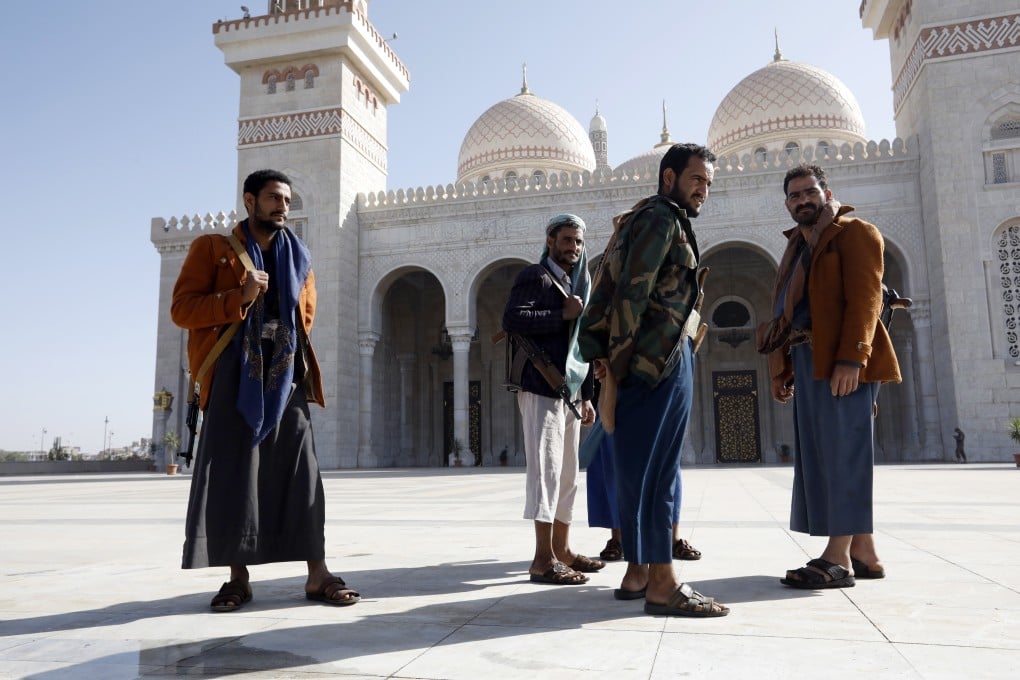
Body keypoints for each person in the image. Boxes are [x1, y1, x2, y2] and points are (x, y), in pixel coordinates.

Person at [171, 169, 360, 611]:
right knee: (235, 475)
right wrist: (238, 295)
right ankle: (237, 578)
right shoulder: (213, 249)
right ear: (249, 200)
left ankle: (318, 574)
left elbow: (303, 318)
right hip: (233, 376)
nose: (282, 207)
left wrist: (278, 357)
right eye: (274, 198)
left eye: (288, 201)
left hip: (282, 378)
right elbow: (182, 309)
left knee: (302, 475)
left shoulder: (300, 257)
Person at [578, 143, 728, 617]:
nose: (702, 189)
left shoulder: (660, 218)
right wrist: (617, 372)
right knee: (656, 473)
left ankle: (638, 572)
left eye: (707, 182)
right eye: (695, 179)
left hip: (658, 356)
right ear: (669, 178)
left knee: (642, 470)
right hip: (655, 360)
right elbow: (632, 294)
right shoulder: (662, 217)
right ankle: (662, 584)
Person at [763, 163, 900, 588]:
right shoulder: (801, 245)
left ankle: (836, 558)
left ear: (826, 191)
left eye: (809, 192)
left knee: (843, 453)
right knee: (829, 452)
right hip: (809, 359)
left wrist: (853, 360)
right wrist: (784, 366)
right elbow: (790, 312)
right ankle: (864, 551)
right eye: (794, 196)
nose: (802, 201)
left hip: (840, 361)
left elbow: (866, 300)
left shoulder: (856, 233)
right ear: (787, 203)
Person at [502, 213, 604, 585]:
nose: (573, 248)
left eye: (578, 242)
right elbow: (513, 318)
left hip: (571, 393)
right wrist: (561, 312)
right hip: (541, 387)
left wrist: (588, 394)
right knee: (545, 472)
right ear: (550, 241)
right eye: (566, 240)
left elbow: (583, 346)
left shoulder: (579, 283)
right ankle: (542, 559)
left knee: (567, 475)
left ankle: (562, 548)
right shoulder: (536, 276)